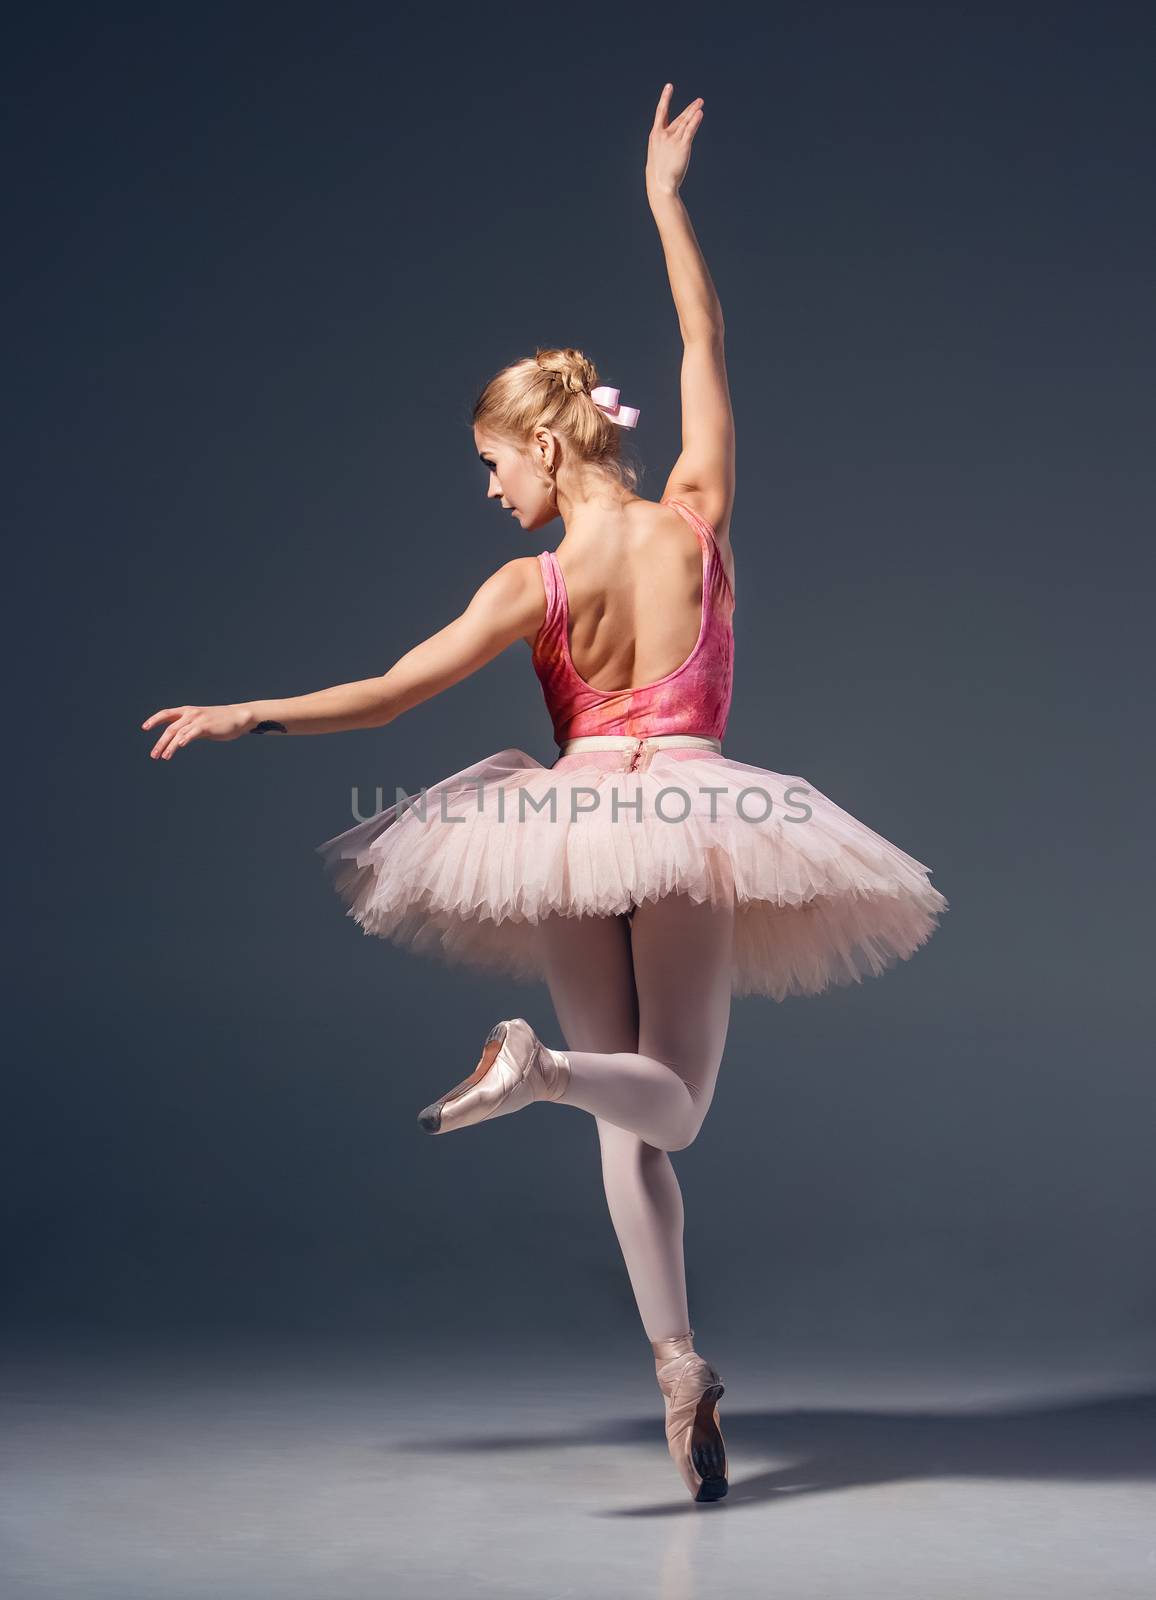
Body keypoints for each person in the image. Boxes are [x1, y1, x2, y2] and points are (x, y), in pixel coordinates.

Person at [141, 84, 948, 1505]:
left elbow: (392, 695)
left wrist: (248, 712)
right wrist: (664, 199)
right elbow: (703, 337)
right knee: (669, 1108)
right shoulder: (696, 511)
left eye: (491, 462)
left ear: (548, 445)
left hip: (564, 830)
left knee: (641, 1120)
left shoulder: (533, 584)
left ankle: (632, 1259)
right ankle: (664, 1330)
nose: (489, 487)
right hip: (699, 812)